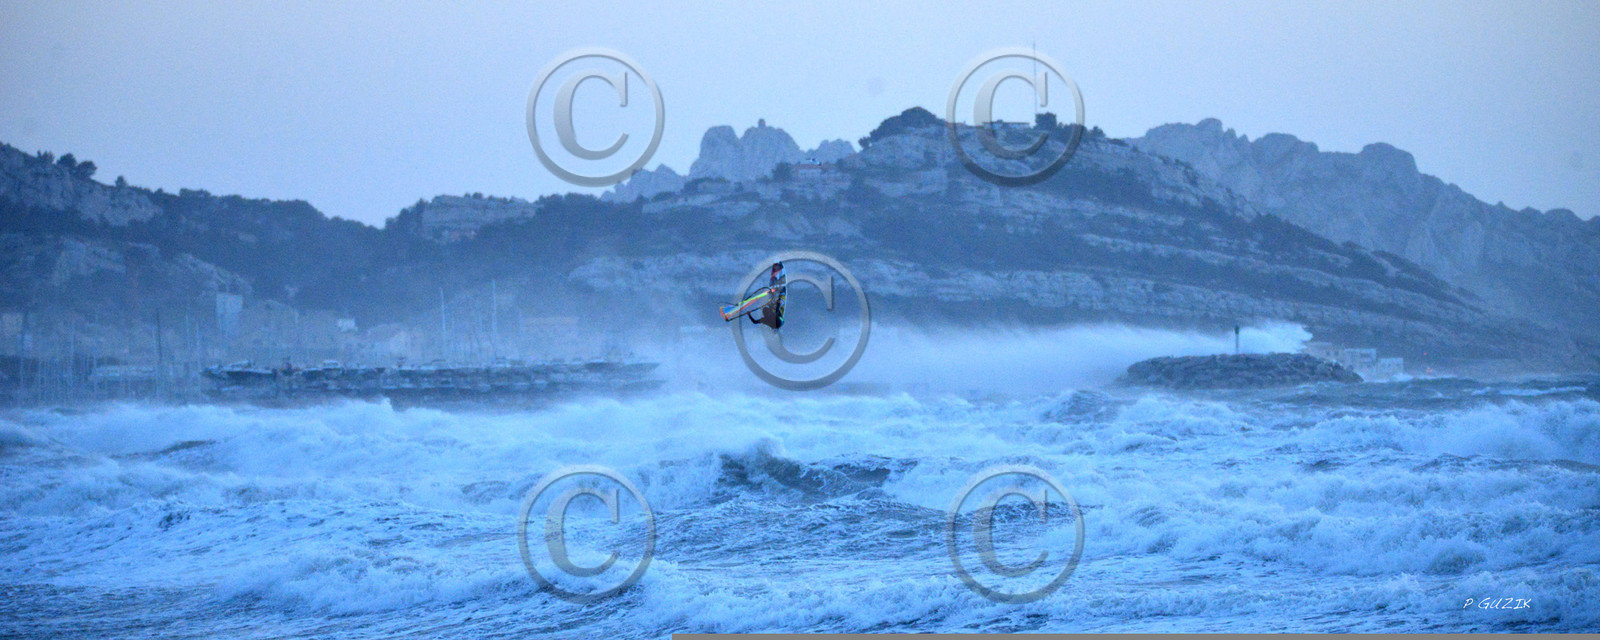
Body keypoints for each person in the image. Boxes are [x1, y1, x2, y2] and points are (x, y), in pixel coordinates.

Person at [749, 262, 785, 330]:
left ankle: (774, 328)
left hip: (775, 325)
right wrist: (778, 302)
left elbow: (754, 322)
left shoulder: (764, 319)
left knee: (774, 308)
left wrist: (749, 315)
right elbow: (777, 308)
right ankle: (780, 301)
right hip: (780, 322)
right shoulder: (771, 316)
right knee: (776, 308)